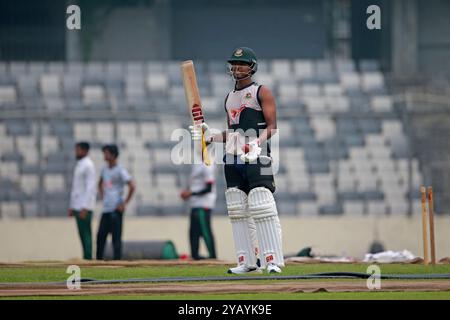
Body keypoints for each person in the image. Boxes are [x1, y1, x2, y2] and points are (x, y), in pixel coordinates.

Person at [190, 47, 284, 274]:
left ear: (252, 66)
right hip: (233, 157)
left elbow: (272, 126)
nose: (237, 67)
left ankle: (272, 260)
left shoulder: (262, 91)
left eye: (241, 63)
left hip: (256, 156)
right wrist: (210, 136)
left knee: (262, 205)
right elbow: (232, 132)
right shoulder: (229, 98)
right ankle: (248, 261)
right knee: (237, 208)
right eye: (234, 63)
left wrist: (257, 142)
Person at [96, 144, 136, 260]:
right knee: (100, 237)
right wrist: (103, 196)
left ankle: (117, 262)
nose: (104, 155)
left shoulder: (120, 170)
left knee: (116, 238)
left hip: (115, 209)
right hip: (106, 208)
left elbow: (132, 186)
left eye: (106, 153)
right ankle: (98, 261)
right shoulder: (104, 169)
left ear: (113, 155)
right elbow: (99, 183)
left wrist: (124, 203)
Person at [180, 151, 217, 260]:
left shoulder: (207, 164)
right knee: (193, 232)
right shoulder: (198, 164)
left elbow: (209, 188)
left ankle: (213, 256)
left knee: (205, 231)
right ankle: (195, 256)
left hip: (203, 203)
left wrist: (191, 193)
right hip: (195, 203)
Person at [68, 142, 96, 260]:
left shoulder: (88, 165)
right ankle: (86, 257)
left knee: (86, 235)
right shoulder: (80, 165)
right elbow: (76, 188)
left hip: (84, 207)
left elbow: (90, 187)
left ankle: (88, 258)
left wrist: (86, 207)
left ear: (85, 151)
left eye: (78, 150)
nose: (76, 152)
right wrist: (72, 206)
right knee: (82, 234)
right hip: (78, 206)